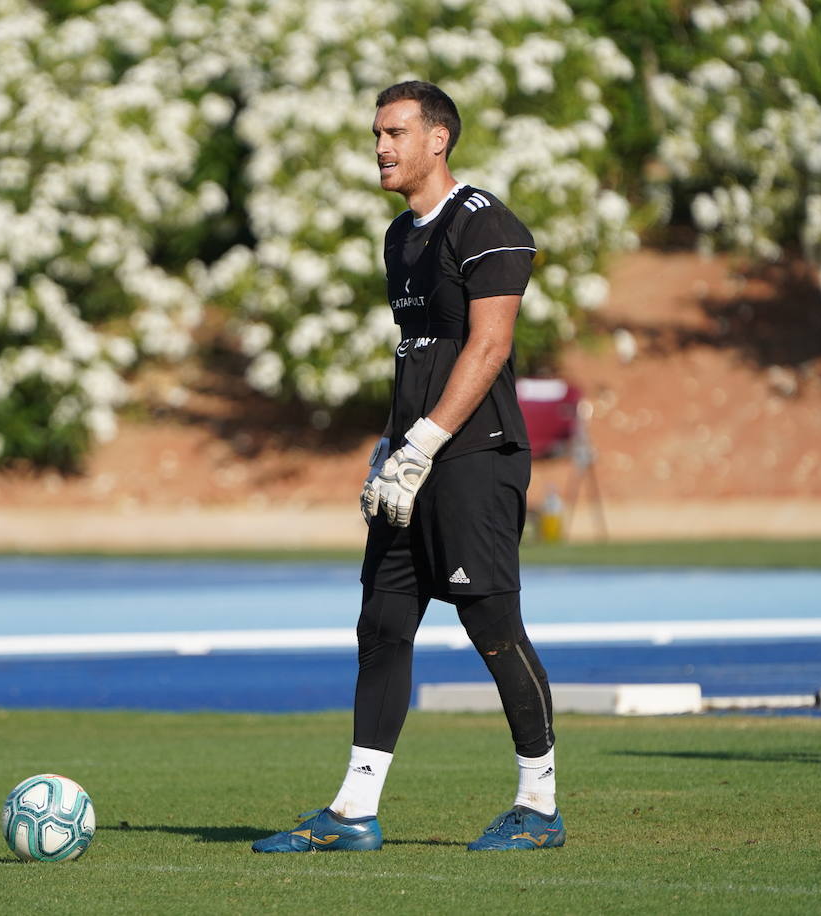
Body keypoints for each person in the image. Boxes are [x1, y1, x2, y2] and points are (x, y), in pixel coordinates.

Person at [252, 80, 563, 853]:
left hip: (474, 461)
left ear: (439, 140)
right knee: (382, 625)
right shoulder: (400, 237)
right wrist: (391, 447)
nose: (382, 146)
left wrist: (425, 443)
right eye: (376, 133)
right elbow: (418, 357)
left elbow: (487, 349)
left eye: (395, 132)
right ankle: (354, 813)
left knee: (491, 625)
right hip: (412, 463)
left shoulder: (488, 225)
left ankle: (539, 805)